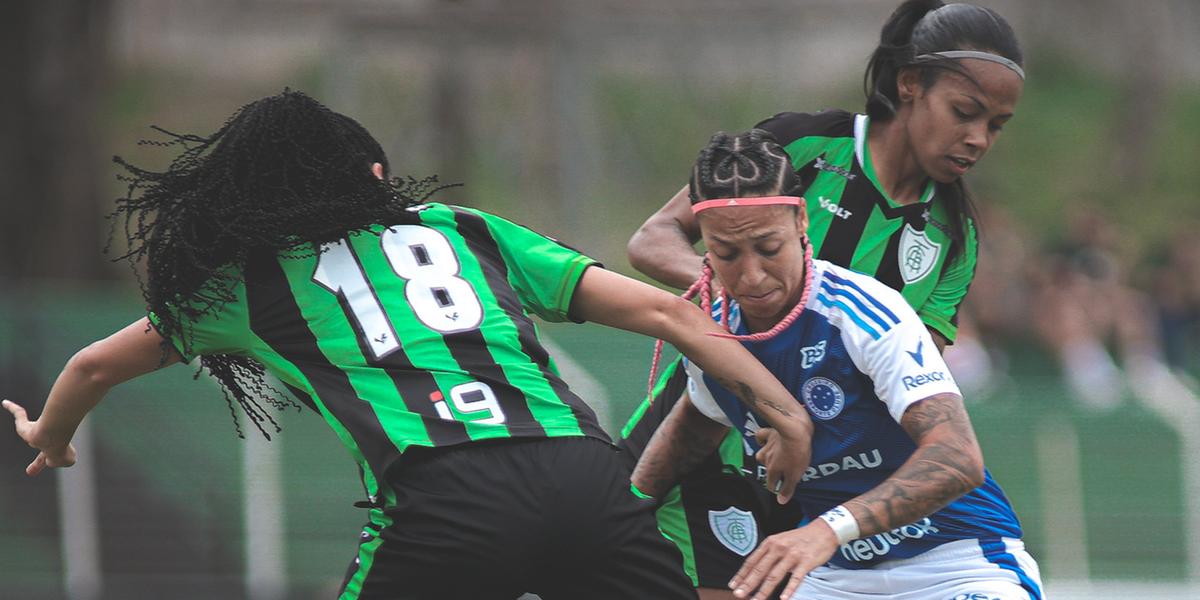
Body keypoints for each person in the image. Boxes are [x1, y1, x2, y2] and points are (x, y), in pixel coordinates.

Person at [2, 90, 817, 600]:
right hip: (584, 475)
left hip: (444, 497)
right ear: (375, 174)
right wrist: (785, 413)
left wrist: (50, 434)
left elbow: (91, 365)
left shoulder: (250, 282)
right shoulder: (462, 227)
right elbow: (674, 314)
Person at [618, 1, 1025, 595]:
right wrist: (737, 296)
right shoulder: (806, 144)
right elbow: (654, 239)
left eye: (996, 125)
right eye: (964, 112)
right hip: (715, 431)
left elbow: (904, 387)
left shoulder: (954, 234)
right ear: (910, 84)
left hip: (823, 477)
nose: (978, 139)